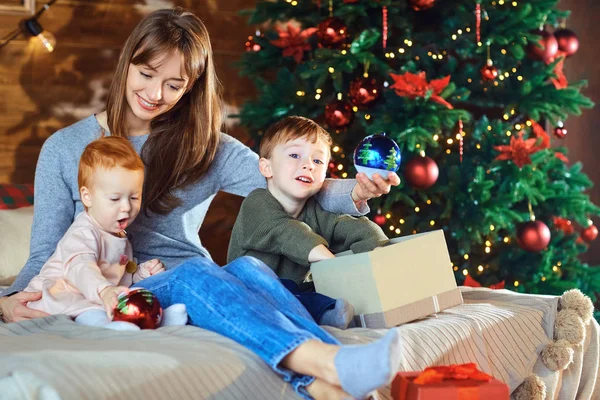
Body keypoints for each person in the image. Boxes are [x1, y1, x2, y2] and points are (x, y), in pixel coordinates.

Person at [0, 8, 401, 400]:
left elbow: (290, 181)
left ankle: (330, 381)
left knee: (248, 268)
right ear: (127, 64)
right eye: (146, 75)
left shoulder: (205, 146)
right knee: (196, 275)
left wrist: (358, 191)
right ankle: (329, 363)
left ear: (191, 86)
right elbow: (46, 253)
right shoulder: (65, 148)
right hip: (129, 289)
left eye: (174, 85)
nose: (156, 94)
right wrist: (8, 303)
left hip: (196, 279)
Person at [228, 116, 389, 329]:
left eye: (318, 161)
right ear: (267, 168)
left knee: (308, 290)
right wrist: (332, 263)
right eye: (295, 155)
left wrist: (379, 255)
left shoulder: (315, 211)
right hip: (247, 290)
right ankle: (320, 312)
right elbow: (285, 231)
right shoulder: (257, 203)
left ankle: (324, 310)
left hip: (293, 291)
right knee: (267, 282)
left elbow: (348, 227)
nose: (308, 165)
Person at [23, 136, 187, 330]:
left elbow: (118, 277)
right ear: (87, 197)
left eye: (134, 197)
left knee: (135, 295)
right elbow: (81, 268)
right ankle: (111, 328)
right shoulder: (83, 233)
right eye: (115, 198)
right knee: (92, 312)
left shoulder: (118, 233)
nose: (126, 207)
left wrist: (141, 274)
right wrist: (104, 290)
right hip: (60, 296)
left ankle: (160, 318)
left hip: (99, 295)